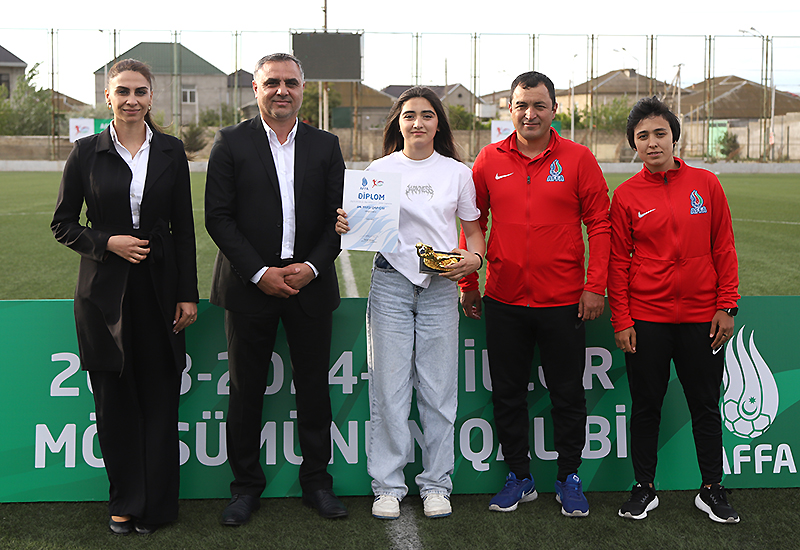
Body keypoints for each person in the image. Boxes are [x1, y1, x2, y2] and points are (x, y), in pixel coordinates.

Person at [51, 59, 198, 535]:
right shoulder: (85, 152)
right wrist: (107, 242)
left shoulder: (172, 151)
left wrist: (187, 294)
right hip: (102, 293)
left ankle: (157, 506)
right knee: (113, 401)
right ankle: (124, 502)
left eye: (140, 91)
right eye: (122, 91)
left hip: (160, 289)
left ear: (151, 97)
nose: (131, 100)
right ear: (108, 97)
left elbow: (184, 229)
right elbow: (63, 224)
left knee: (160, 398)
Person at [459, 71, 611, 517]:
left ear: (554, 110)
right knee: (508, 394)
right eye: (522, 105)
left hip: (564, 302)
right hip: (504, 300)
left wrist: (594, 286)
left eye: (539, 105)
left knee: (568, 395)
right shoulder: (488, 159)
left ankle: (569, 478)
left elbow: (600, 224)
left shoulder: (579, 158)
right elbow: (472, 223)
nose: (530, 114)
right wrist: (469, 284)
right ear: (510, 109)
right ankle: (519, 477)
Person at [205, 53, 347, 525]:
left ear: (303, 89)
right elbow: (218, 218)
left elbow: (338, 219)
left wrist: (312, 266)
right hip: (249, 288)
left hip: (310, 285)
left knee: (314, 390)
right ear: (256, 89)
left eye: (290, 82)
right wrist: (259, 272)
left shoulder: (326, 145)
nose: (282, 90)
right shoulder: (230, 142)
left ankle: (317, 483)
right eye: (272, 83)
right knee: (246, 391)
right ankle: (245, 488)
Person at [336, 86, 485, 520]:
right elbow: (360, 226)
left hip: (440, 289)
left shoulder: (457, 173)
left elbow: (474, 233)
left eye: (427, 115)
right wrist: (345, 222)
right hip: (390, 285)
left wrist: (474, 259)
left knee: (439, 392)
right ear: (397, 123)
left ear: (439, 124)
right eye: (409, 115)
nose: (418, 122)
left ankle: (437, 484)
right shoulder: (379, 171)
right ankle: (387, 486)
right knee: (389, 391)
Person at [609, 96, 740, 523]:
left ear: (674, 137)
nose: (652, 142)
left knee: (705, 405)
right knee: (646, 406)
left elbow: (723, 247)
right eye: (642, 136)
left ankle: (712, 488)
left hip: (703, 319)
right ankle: (644, 488)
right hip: (647, 319)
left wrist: (727, 305)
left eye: (660, 133)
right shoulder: (625, 196)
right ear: (634, 143)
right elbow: (618, 262)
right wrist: (622, 319)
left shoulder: (707, 184)